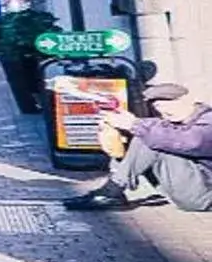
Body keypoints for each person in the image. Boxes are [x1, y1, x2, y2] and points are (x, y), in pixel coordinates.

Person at [68, 87, 212, 212]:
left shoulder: (208, 119)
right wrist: (118, 131)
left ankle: (113, 190)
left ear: (190, 100)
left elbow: (191, 141)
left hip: (206, 194)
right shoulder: (170, 122)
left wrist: (134, 125)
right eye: (158, 106)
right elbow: (151, 128)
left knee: (150, 139)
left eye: (170, 103)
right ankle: (112, 189)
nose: (165, 110)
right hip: (194, 189)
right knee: (145, 135)